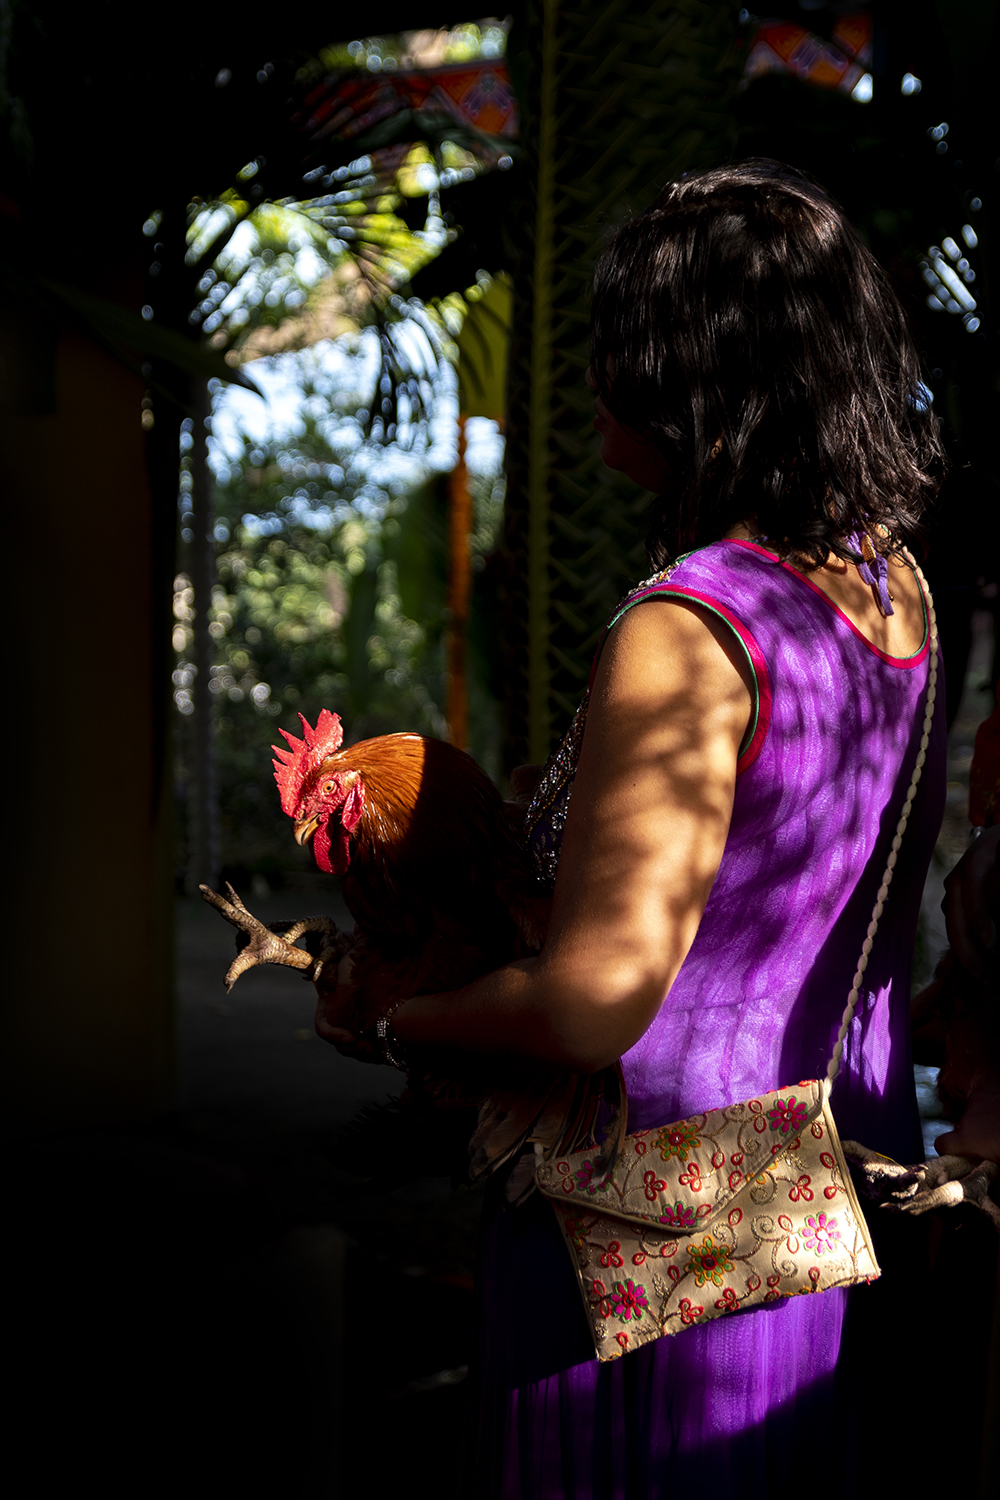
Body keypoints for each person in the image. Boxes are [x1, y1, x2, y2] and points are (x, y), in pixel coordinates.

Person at [319, 160, 947, 1496]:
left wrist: (387, 1016)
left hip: (647, 1256)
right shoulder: (898, 600)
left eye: (627, 345)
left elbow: (597, 1003)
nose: (597, 374)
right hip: (817, 1227)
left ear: (702, 378)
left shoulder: (691, 623)